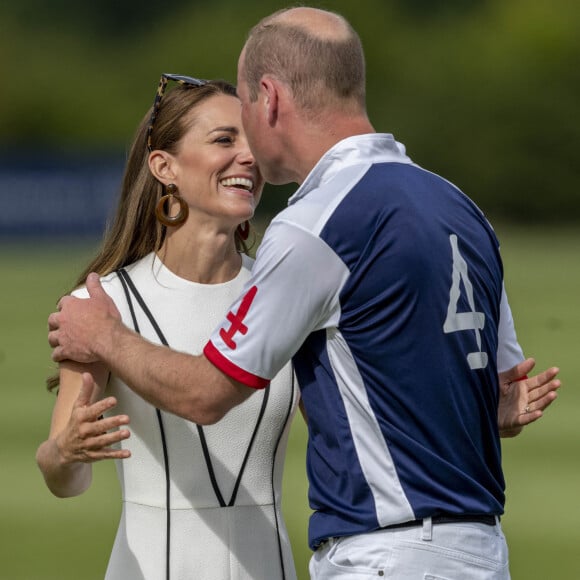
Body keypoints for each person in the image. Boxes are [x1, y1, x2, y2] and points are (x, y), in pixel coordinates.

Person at [48, 7, 562, 579]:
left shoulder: (317, 223)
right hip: (479, 554)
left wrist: (106, 336)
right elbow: (465, 393)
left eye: (244, 113)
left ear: (268, 98)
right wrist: (477, 410)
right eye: (222, 137)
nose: (245, 151)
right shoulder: (461, 209)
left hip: (384, 557)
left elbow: (206, 395)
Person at [37, 74, 299, 580]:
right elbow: (63, 478)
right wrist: (66, 452)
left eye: (252, 140)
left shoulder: (288, 295)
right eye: (225, 139)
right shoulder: (101, 306)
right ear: (165, 166)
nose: (249, 156)